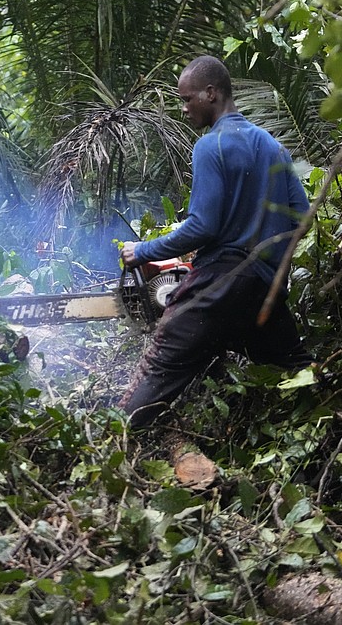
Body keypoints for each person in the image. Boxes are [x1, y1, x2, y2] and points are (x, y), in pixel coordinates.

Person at [118, 55, 314, 428]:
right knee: (299, 371)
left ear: (211, 93)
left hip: (221, 281)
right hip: (264, 288)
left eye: (187, 99)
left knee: (158, 370)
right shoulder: (274, 147)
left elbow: (202, 228)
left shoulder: (211, 146)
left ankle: (109, 444)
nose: (184, 108)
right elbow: (302, 219)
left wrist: (141, 251)